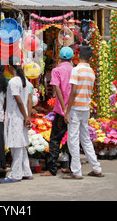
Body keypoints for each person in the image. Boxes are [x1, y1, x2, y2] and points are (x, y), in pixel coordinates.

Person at [64, 46, 103, 180]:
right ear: (90, 58)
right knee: (85, 139)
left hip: (75, 108)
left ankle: (76, 171)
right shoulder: (91, 72)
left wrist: (67, 111)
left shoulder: (76, 70)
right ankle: (96, 167)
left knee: (73, 140)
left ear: (78, 56)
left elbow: (73, 92)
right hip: (85, 108)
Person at [0, 55, 33, 183]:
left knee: (16, 145)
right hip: (23, 116)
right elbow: (29, 100)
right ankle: (26, 171)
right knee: (21, 145)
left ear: (8, 67)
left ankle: (16, 174)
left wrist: (25, 117)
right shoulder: (26, 81)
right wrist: (28, 117)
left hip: (16, 116)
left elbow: (19, 101)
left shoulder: (14, 81)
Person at [41, 47, 74, 177]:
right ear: (71, 58)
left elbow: (57, 89)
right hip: (74, 110)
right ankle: (72, 167)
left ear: (59, 57)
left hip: (62, 111)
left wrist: (64, 109)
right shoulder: (74, 70)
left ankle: (52, 168)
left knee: (55, 139)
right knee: (72, 138)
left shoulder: (57, 70)